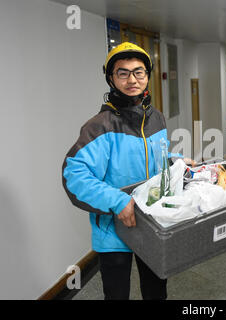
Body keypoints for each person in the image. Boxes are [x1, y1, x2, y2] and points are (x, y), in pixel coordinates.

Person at [62, 42, 190, 300]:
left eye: (139, 72)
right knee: (117, 295)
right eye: (123, 73)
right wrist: (119, 201)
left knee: (156, 292)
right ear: (111, 78)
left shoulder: (156, 118)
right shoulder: (99, 126)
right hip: (113, 232)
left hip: (152, 225)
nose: (132, 79)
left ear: (147, 75)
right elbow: (74, 175)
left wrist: (177, 162)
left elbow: (157, 160)